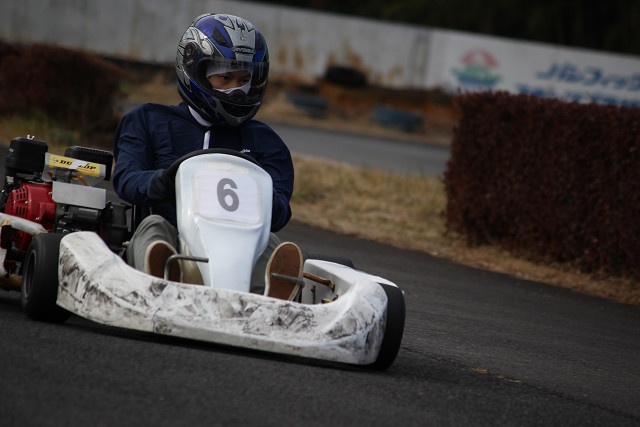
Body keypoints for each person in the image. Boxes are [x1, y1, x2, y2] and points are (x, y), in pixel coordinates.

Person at [112, 13, 302, 298]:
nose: (237, 91)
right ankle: (160, 282)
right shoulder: (148, 120)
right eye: (226, 78)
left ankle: (265, 301)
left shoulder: (265, 142)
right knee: (153, 226)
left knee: (271, 243)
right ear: (194, 71)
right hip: (174, 244)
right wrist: (162, 182)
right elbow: (126, 178)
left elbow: (280, 211)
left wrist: (260, 197)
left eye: (244, 80)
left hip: (241, 253)